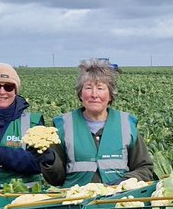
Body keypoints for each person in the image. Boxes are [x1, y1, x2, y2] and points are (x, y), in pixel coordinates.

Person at [38, 58, 157, 186]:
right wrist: (50, 162)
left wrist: (126, 181)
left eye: (100, 88)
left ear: (110, 95)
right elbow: (56, 179)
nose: (94, 95)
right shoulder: (63, 126)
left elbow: (145, 168)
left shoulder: (126, 124)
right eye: (88, 88)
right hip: (76, 202)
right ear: (80, 94)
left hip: (118, 200)